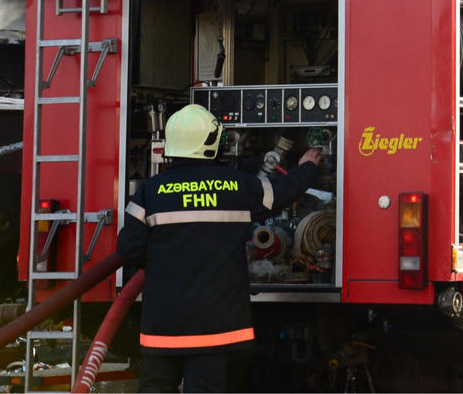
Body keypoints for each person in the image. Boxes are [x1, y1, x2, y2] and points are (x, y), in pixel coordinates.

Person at [117, 103, 322, 393]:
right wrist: (308, 169)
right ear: (211, 143)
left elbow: (130, 250)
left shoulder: (150, 191)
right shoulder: (235, 185)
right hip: (215, 330)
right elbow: (283, 192)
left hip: (163, 329)